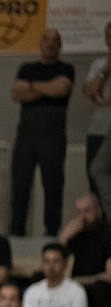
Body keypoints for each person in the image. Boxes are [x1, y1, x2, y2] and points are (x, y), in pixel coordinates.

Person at [10, 29, 75, 237]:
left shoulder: (66, 68)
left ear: (60, 45)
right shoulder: (27, 68)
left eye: (55, 40)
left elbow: (61, 89)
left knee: (53, 185)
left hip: (53, 137)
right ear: (40, 43)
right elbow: (16, 94)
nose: (50, 44)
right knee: (20, 185)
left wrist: (31, 87)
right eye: (46, 39)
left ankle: (52, 234)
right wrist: (46, 88)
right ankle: (16, 232)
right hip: (26, 136)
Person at [58, 193, 111, 307]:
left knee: (102, 289)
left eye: (87, 211)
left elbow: (109, 275)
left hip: (98, 288)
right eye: (78, 212)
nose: (82, 217)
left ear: (98, 211)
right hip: (77, 285)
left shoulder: (108, 233)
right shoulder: (78, 232)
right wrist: (64, 237)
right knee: (40, 279)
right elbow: (54, 260)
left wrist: (82, 281)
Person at [83, 22, 111, 196]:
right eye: (109, 36)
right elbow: (89, 92)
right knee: (94, 178)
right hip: (98, 129)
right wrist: (107, 68)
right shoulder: (98, 64)